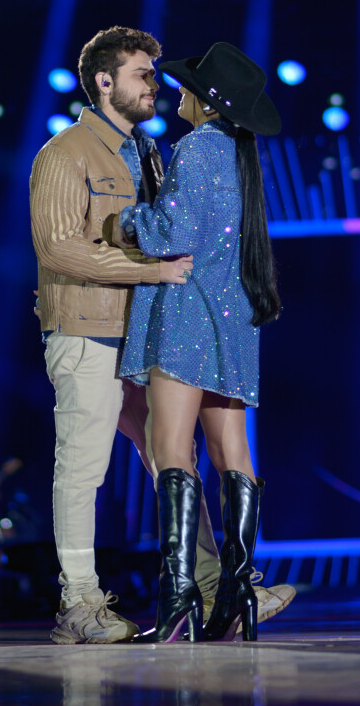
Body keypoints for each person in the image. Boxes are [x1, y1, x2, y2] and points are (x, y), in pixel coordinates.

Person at [30, 28, 293, 645]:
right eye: (143, 73)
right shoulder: (65, 153)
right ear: (103, 81)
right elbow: (59, 248)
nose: (156, 83)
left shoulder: (151, 152)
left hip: (149, 331)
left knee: (171, 456)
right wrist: (151, 267)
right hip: (90, 327)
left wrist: (157, 265)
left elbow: (182, 226)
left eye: (156, 74)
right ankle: (82, 601)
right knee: (86, 463)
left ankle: (214, 585)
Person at [111, 42, 290, 643]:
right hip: (235, 315)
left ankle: (179, 593)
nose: (177, 93)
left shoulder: (194, 148)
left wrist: (130, 220)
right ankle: (238, 590)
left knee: (170, 451)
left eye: (187, 87)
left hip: (188, 313)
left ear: (206, 102)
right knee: (232, 454)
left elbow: (173, 232)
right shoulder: (242, 154)